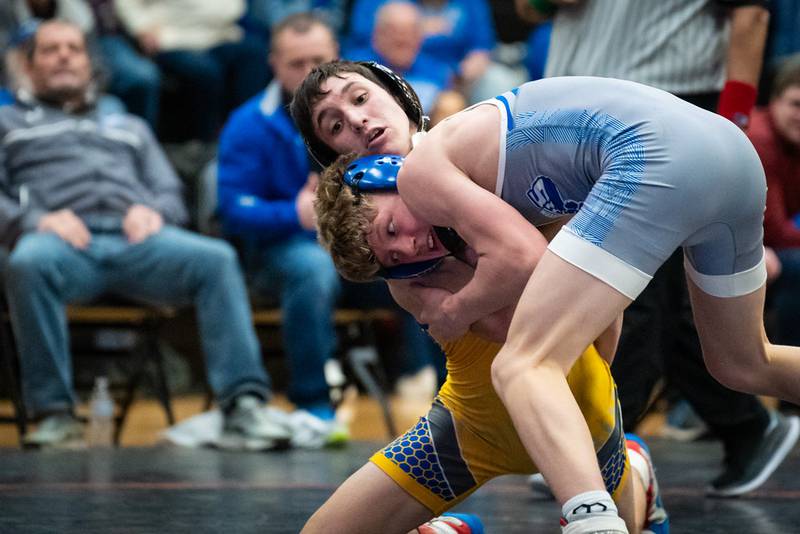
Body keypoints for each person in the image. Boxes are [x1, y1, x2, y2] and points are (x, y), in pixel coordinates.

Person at [291, 61, 800, 533]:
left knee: (521, 364)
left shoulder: (429, 172)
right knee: (744, 362)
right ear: (342, 159)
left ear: (398, 95)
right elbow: (589, 295)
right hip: (729, 155)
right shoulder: (417, 237)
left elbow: (530, 272)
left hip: (653, 162)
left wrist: (456, 307)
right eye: (334, 126)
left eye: (360, 99)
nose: (411, 246)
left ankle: (592, 521)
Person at [515, 0, 799, 499]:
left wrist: (733, 119)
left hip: (668, 103)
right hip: (572, 109)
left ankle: (593, 450)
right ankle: (742, 427)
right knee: (679, 315)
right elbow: (530, 8)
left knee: (625, 295)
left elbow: (750, 14)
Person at [0, 20, 292, 451]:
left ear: (88, 62)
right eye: (50, 50)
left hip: (137, 244)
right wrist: (34, 219)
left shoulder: (128, 123)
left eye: (73, 49)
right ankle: (55, 413)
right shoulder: (8, 122)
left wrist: (152, 211)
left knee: (216, 259)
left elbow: (168, 191)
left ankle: (243, 405)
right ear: (30, 65)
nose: (63, 56)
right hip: (62, 246)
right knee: (26, 260)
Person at [302, 247, 667, 533]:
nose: (408, 244)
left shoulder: (495, 190)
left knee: (629, 526)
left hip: (577, 413)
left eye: (398, 226)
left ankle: (635, 466)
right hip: (469, 429)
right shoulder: (402, 270)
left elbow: (597, 267)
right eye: (389, 251)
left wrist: (598, 367)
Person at [216, 13, 348, 443]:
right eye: (297, 63)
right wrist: (293, 215)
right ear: (273, 63)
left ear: (338, 58)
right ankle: (313, 403)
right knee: (310, 267)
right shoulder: (248, 123)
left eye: (320, 60)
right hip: (279, 252)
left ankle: (450, 398)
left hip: (362, 245)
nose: (311, 73)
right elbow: (233, 211)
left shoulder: (366, 113)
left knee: (434, 252)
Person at [114, 0, 268, 142]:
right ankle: (208, 144)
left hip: (221, 33)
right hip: (173, 37)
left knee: (255, 54)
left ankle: (250, 133)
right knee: (205, 72)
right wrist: (141, 28)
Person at [345, 1, 465, 125]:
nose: (403, 38)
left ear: (421, 36)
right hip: (374, 135)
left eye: (411, 31)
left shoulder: (437, 71)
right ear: (376, 34)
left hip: (427, 137)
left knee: (451, 102)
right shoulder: (356, 69)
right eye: (394, 31)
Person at [751, 54, 800, 348]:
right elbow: (775, 231)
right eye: (796, 104)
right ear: (774, 100)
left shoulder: (792, 140)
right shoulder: (761, 139)